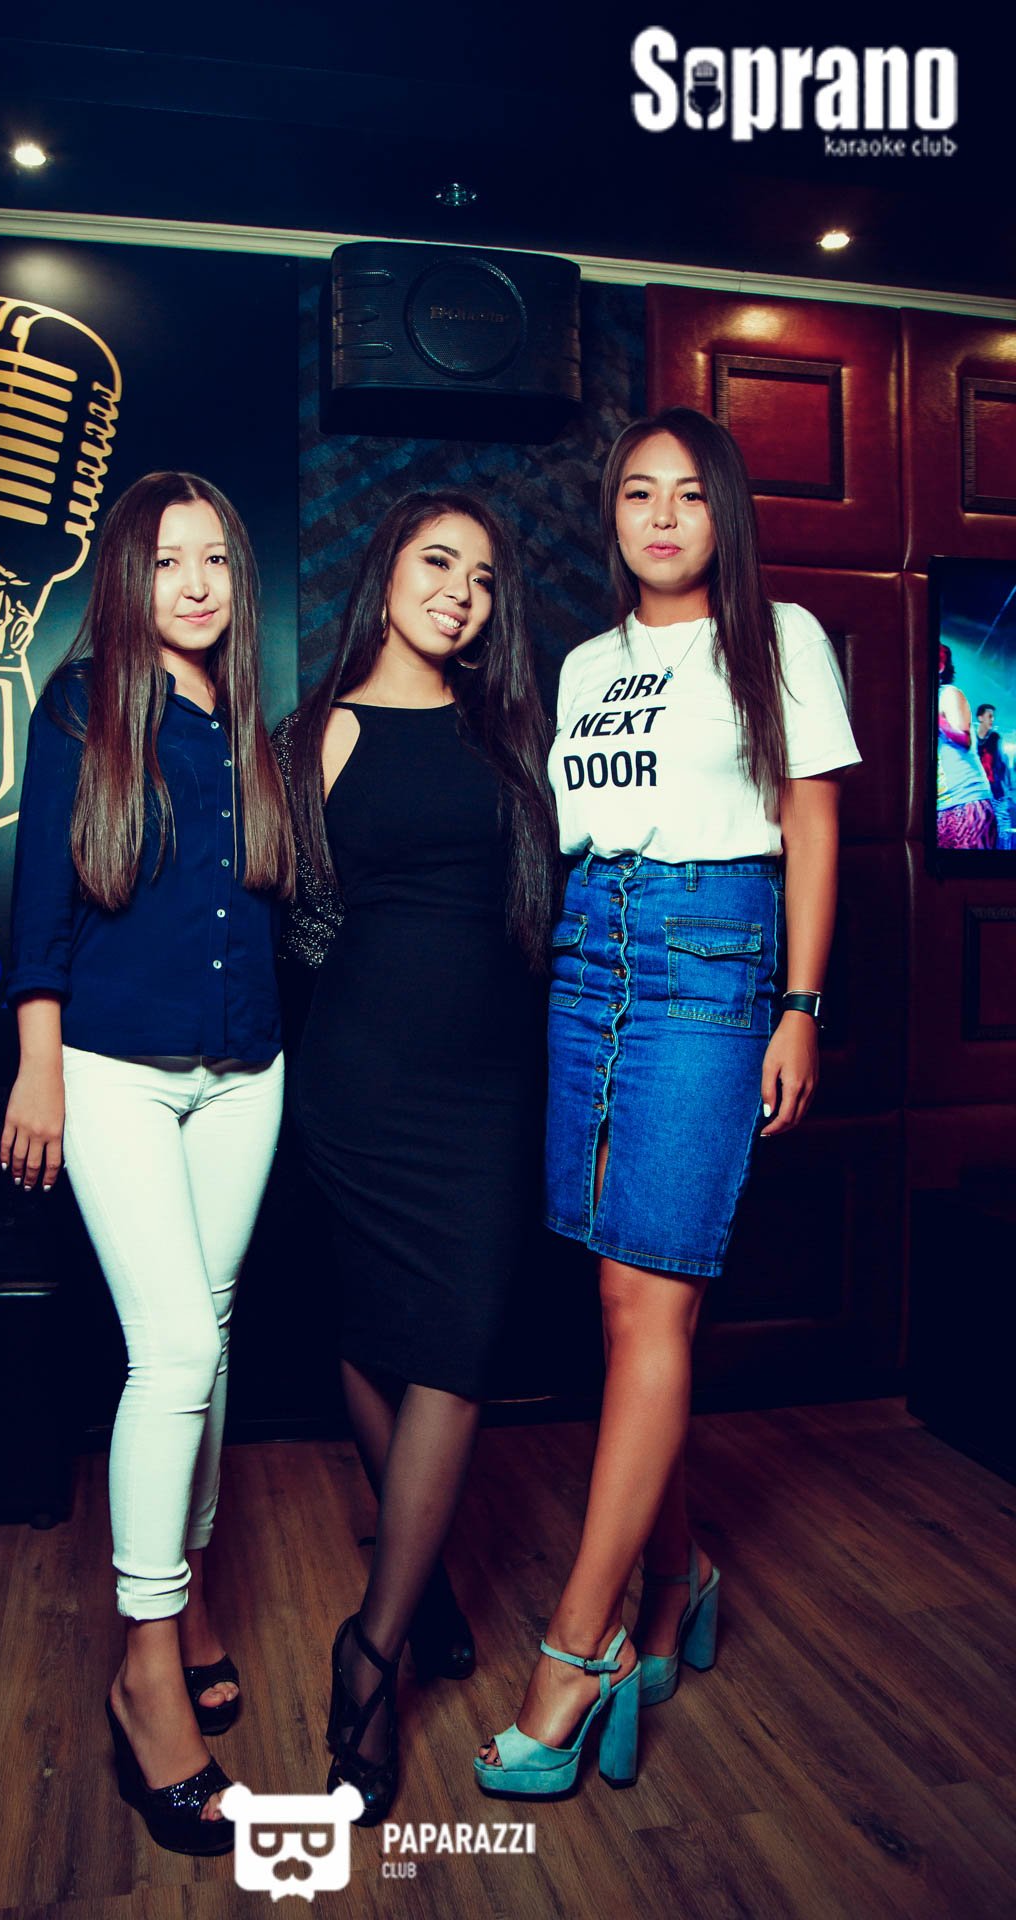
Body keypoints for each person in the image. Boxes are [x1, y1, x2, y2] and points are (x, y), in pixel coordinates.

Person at [475, 406, 861, 1799]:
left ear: (722, 514)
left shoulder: (779, 638)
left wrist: (799, 1006)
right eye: (637, 493)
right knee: (621, 1305)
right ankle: (678, 1572)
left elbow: (811, 823)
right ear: (612, 516)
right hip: (589, 958)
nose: (659, 516)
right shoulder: (585, 664)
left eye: (687, 494)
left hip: (712, 957)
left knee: (655, 1301)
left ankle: (577, 1650)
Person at [0, 471, 294, 1856]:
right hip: (113, 1070)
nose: (194, 583)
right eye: (169, 559)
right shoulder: (83, 705)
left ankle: (195, 1593)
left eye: (215, 560)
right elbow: (38, 903)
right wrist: (38, 1065)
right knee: (173, 1350)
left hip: (247, 1075)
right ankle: (146, 1668)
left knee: (212, 1341)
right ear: (129, 575)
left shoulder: (249, 722)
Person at [274, 489, 560, 1823]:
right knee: (375, 1330)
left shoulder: (510, 735)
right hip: (362, 1078)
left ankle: (370, 1638)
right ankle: (409, 1610)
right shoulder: (315, 735)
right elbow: (279, 917)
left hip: (489, 1087)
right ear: (384, 572)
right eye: (437, 562)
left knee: (457, 1343)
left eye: (484, 578)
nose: (460, 591)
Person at [937, 648, 997, 850]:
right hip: (942, 808)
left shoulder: (948, 694)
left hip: (967, 802)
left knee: (971, 869)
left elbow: (964, 737)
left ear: (941, 666)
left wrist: (936, 719)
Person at [976, 703, 1014, 847]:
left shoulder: (995, 738)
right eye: (989, 716)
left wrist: (1008, 789)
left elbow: (1003, 764)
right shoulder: (972, 740)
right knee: (980, 827)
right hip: (979, 793)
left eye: (993, 717)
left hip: (996, 791)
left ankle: (1004, 854)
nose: (992, 719)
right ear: (980, 717)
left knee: (1002, 826)